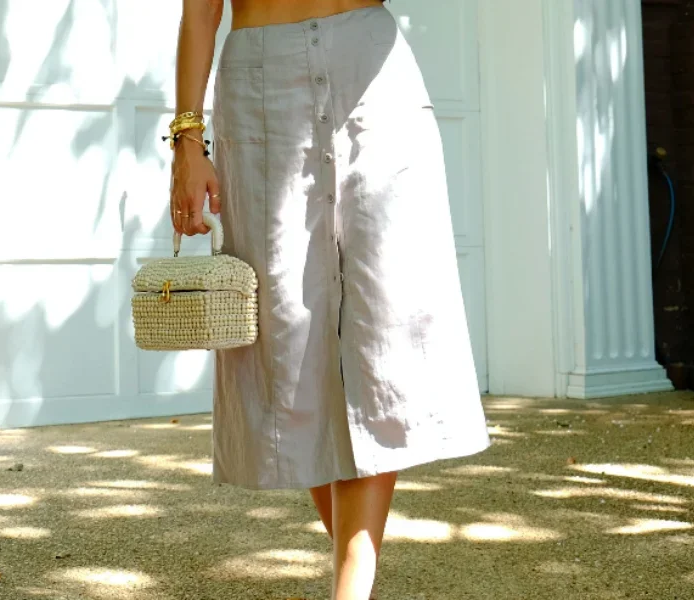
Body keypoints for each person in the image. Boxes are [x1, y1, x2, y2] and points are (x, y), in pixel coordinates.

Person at [169, 1, 491, 598]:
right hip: (259, 81)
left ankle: (352, 588)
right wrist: (187, 142)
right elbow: (198, 14)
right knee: (288, 339)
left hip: (373, 71)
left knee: (383, 328)